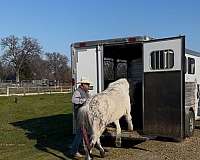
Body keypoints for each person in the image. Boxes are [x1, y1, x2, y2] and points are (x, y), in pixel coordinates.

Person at [69, 77, 91, 158]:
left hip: (84, 115)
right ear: (83, 84)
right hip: (79, 115)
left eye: (88, 84)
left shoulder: (86, 92)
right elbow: (73, 100)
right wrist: (84, 100)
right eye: (87, 84)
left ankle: (78, 147)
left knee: (82, 132)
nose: (88, 86)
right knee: (80, 133)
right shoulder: (78, 92)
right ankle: (73, 151)